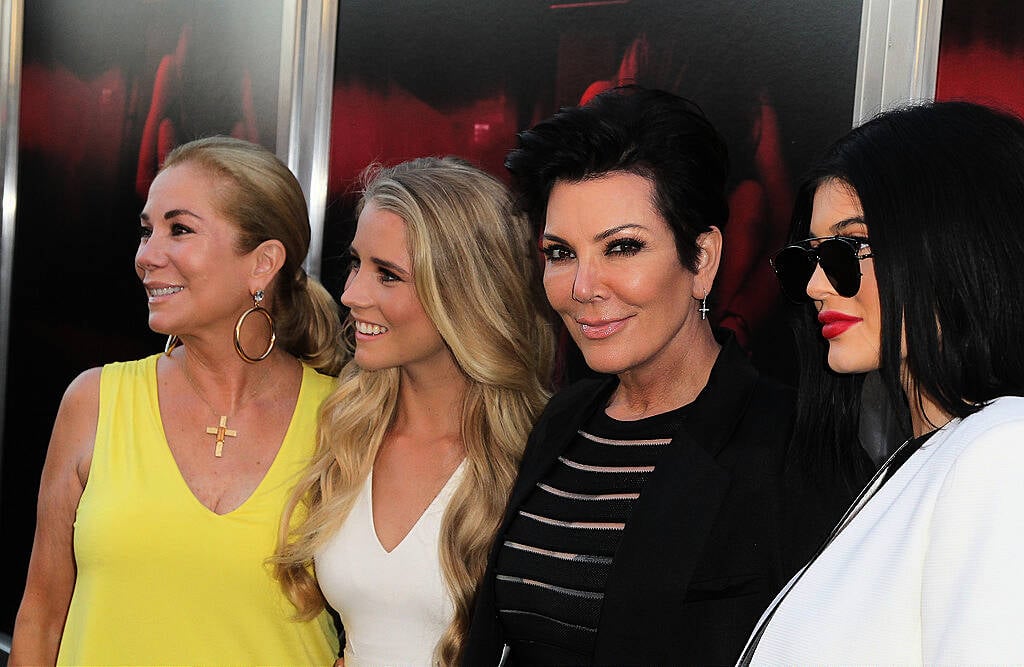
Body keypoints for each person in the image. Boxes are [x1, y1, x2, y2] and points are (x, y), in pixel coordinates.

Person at [463, 86, 853, 665]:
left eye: (621, 247)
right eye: (561, 253)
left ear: (703, 261)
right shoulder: (565, 419)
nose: (582, 288)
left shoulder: (791, 444)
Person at [10, 136, 345, 665]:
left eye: (179, 229)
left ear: (263, 263)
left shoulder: (342, 418)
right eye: (147, 231)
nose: (146, 256)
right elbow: (41, 615)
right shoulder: (96, 400)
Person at [740, 101, 1024, 663]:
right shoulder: (921, 459)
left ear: (958, 243)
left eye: (849, 248)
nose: (818, 285)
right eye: (809, 258)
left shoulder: (1001, 451)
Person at [273, 157, 554, 666]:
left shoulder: (540, 456)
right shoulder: (345, 431)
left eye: (388, 275)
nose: (351, 294)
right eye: (356, 263)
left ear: (464, 291)